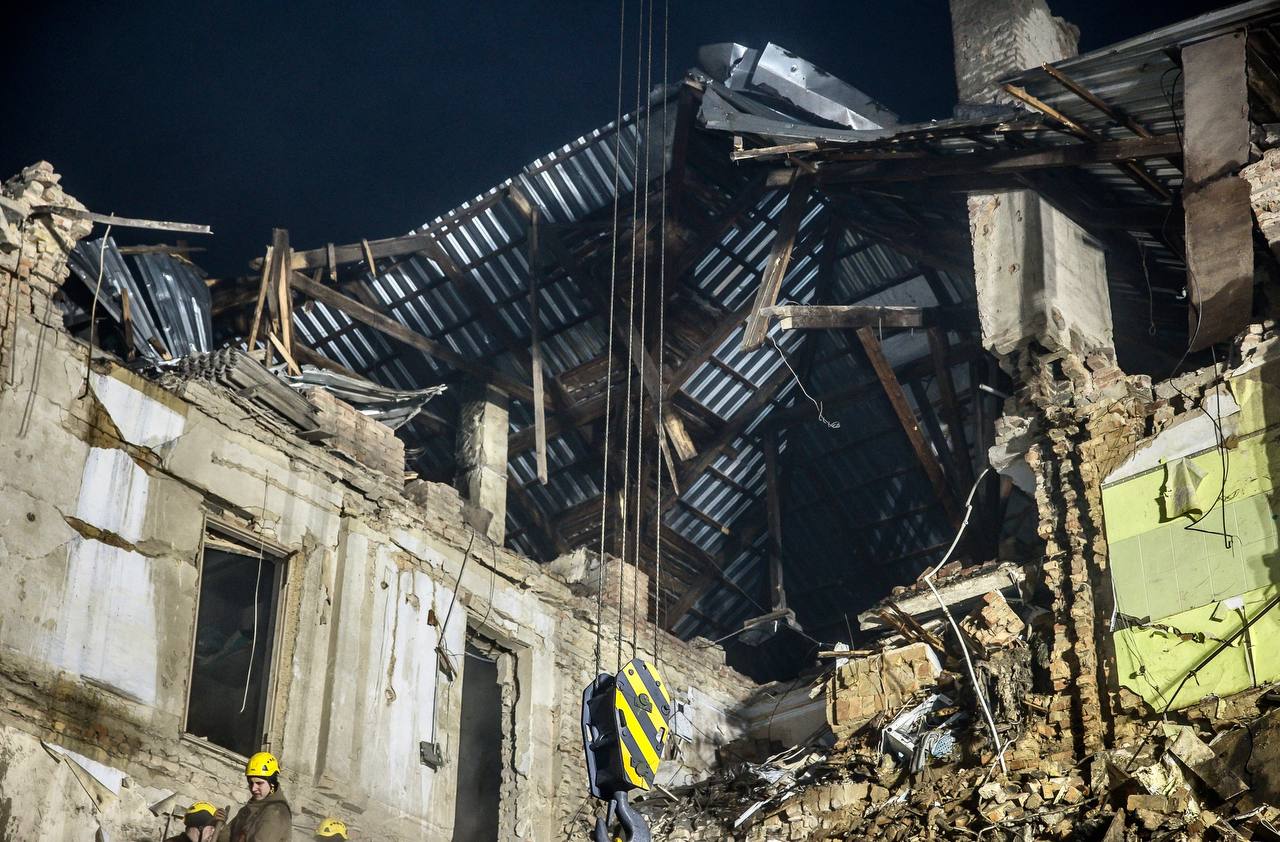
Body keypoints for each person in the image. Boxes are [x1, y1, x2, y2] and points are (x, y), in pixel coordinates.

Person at [218, 751, 292, 842]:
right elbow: (228, 836)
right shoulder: (251, 807)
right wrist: (220, 826)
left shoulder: (275, 813)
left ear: (272, 783)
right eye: (251, 783)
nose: (253, 789)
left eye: (259, 783)